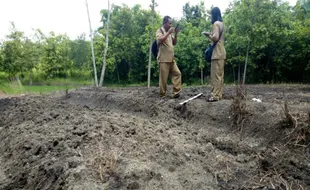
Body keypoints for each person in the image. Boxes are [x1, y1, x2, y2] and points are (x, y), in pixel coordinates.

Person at [203, 7, 226, 102]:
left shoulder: (216, 24)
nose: (210, 17)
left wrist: (208, 35)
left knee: (215, 76)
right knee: (220, 76)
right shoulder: (222, 24)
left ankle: (215, 96)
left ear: (214, 14)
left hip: (216, 53)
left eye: (211, 15)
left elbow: (215, 38)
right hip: (222, 52)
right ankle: (219, 94)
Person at [156, 16, 182, 99]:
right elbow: (160, 40)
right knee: (163, 79)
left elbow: (174, 43)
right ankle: (162, 95)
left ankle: (176, 92)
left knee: (177, 73)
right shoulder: (159, 31)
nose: (171, 25)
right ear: (164, 23)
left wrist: (176, 34)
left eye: (171, 23)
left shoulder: (170, 33)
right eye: (169, 23)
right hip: (163, 59)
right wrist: (168, 33)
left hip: (171, 59)